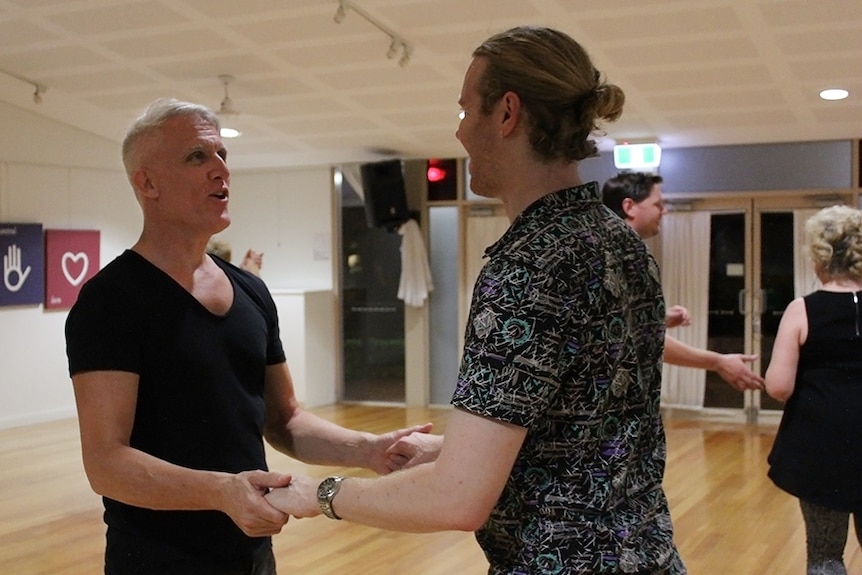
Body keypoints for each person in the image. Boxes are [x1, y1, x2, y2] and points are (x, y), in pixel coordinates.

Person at [266, 26, 686, 574]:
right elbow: (583, 434)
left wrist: (320, 493)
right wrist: (451, 449)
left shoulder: (531, 262)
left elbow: (457, 498)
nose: (460, 132)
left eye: (466, 111)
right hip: (647, 555)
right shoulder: (619, 240)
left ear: (507, 113)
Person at [64, 98, 430, 575]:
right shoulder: (110, 300)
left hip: (251, 556)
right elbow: (106, 463)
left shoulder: (250, 290)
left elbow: (286, 419)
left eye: (222, 155)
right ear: (148, 183)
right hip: (155, 560)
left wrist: (367, 449)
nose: (221, 170)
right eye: (198, 157)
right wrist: (221, 492)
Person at [764, 205, 862, 575]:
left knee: (825, 555)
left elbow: (778, 387)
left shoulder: (801, 310)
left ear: (818, 256)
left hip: (822, 451)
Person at [602, 171, 764, 391]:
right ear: (629, 207)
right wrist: (718, 362)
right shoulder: (621, 257)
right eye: (658, 205)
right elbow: (645, 338)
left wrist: (660, 318)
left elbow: (621, 323)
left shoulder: (608, 249)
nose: (664, 211)